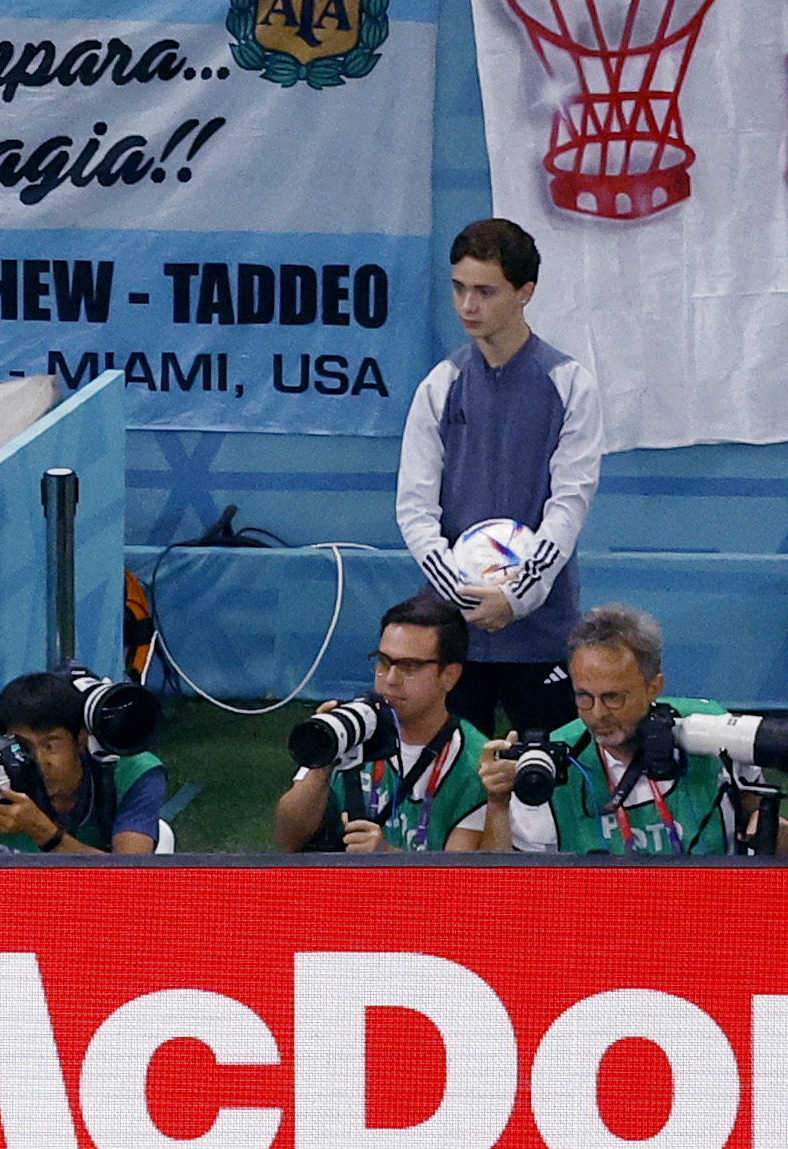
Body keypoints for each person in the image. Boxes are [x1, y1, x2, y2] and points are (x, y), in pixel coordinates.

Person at [395, 215, 601, 732]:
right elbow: (415, 508)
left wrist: (517, 596)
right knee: (452, 782)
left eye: (485, 291)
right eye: (459, 289)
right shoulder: (439, 386)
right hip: (450, 629)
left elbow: (569, 506)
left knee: (549, 778)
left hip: (541, 626)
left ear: (525, 291)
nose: (468, 306)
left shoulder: (570, 384)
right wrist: (459, 594)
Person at [271, 592, 501, 855]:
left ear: (449, 676)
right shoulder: (349, 727)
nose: (390, 679)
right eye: (384, 661)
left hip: (413, 896)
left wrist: (387, 856)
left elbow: (459, 882)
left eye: (410, 666)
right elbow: (287, 840)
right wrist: (320, 763)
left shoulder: (477, 763)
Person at [501, 605, 728, 859]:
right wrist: (497, 803)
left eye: (613, 698)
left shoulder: (717, 734)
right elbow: (520, 883)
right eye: (584, 696)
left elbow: (768, 838)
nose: (597, 714)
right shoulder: (548, 765)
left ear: (654, 687)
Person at [0, 666, 169, 857]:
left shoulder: (135, 773)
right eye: (24, 746)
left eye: (51, 745)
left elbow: (132, 882)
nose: (40, 760)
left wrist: (42, 831)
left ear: (81, 741)